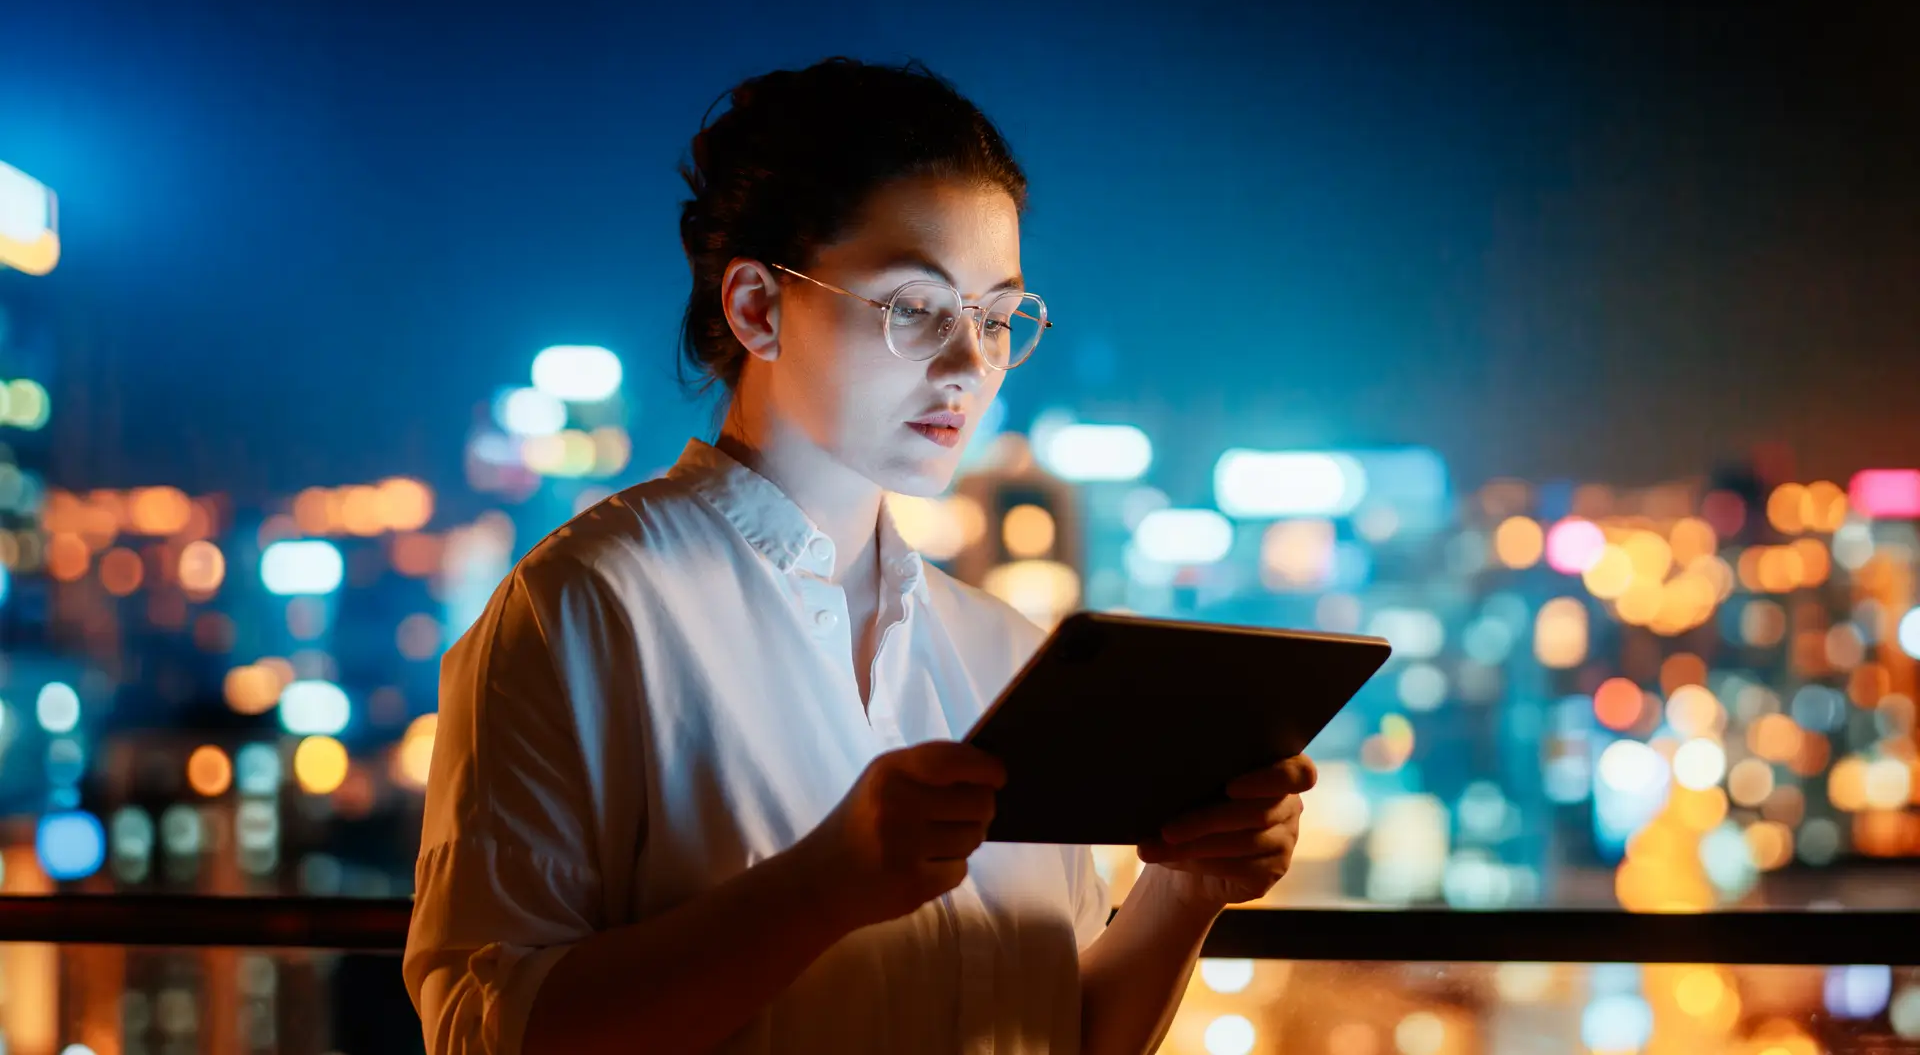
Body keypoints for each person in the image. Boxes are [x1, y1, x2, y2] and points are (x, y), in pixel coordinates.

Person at [402, 56, 1316, 1055]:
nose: (971, 364)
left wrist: (1184, 894)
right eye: (914, 308)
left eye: (1000, 316)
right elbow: (483, 1032)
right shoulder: (589, 607)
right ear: (755, 308)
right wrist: (822, 887)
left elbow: (1061, 1033)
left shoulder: (1005, 654)